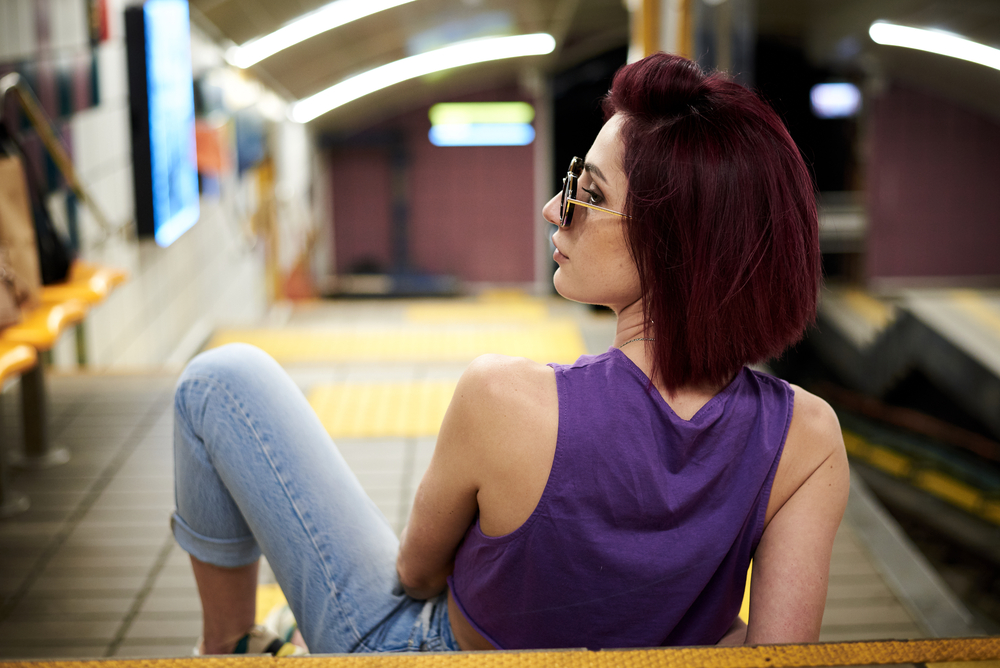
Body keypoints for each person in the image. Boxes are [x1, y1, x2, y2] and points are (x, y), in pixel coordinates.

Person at [171, 52, 848, 655]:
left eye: (589, 192)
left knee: (222, 378)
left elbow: (415, 575)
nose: (556, 208)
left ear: (676, 244)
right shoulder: (807, 439)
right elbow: (776, 657)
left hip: (430, 650)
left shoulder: (504, 397)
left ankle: (230, 648)